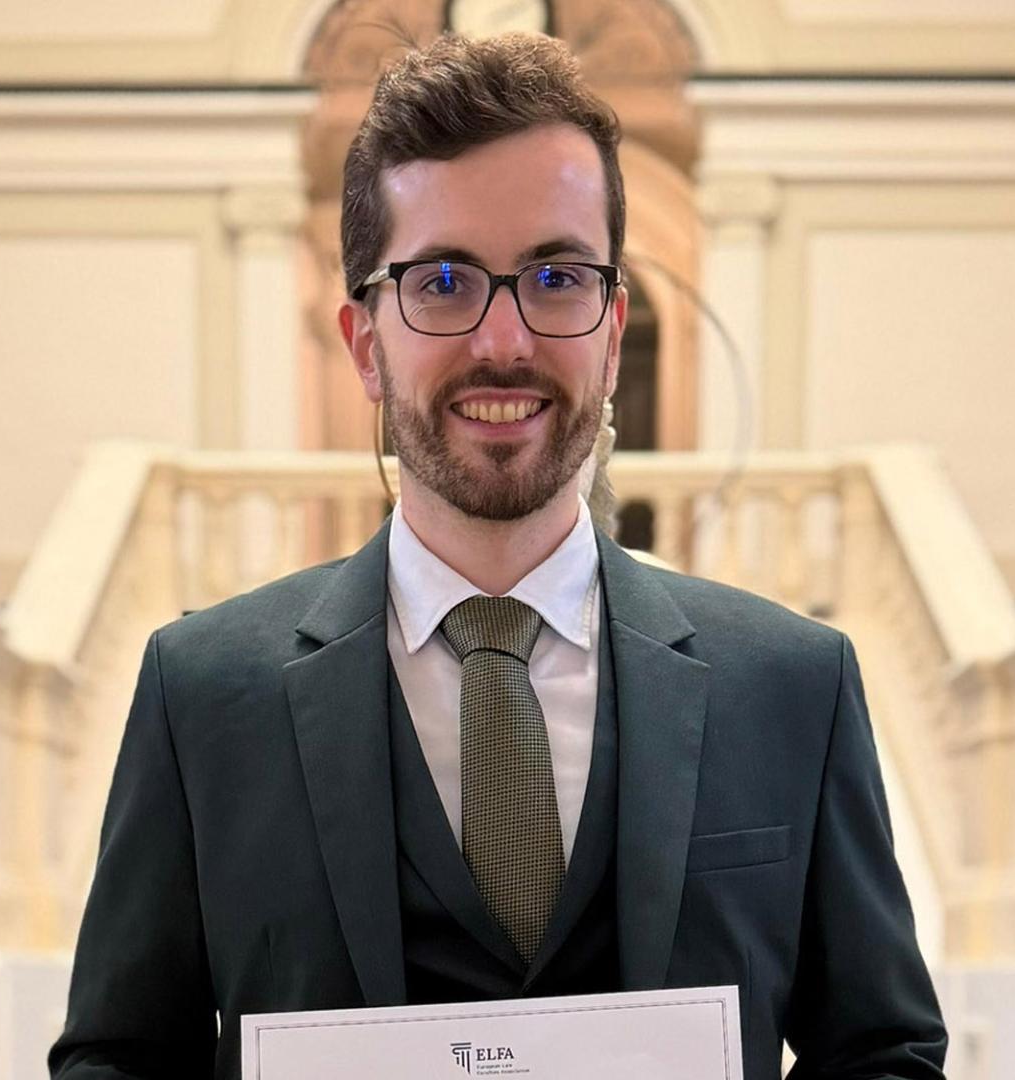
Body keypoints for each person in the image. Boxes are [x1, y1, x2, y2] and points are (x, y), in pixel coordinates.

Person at [48, 31, 945, 1080]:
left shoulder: (795, 686)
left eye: (556, 277)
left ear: (612, 328)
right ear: (365, 341)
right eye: (442, 281)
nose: (505, 342)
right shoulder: (199, 697)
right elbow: (118, 1062)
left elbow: (883, 1053)